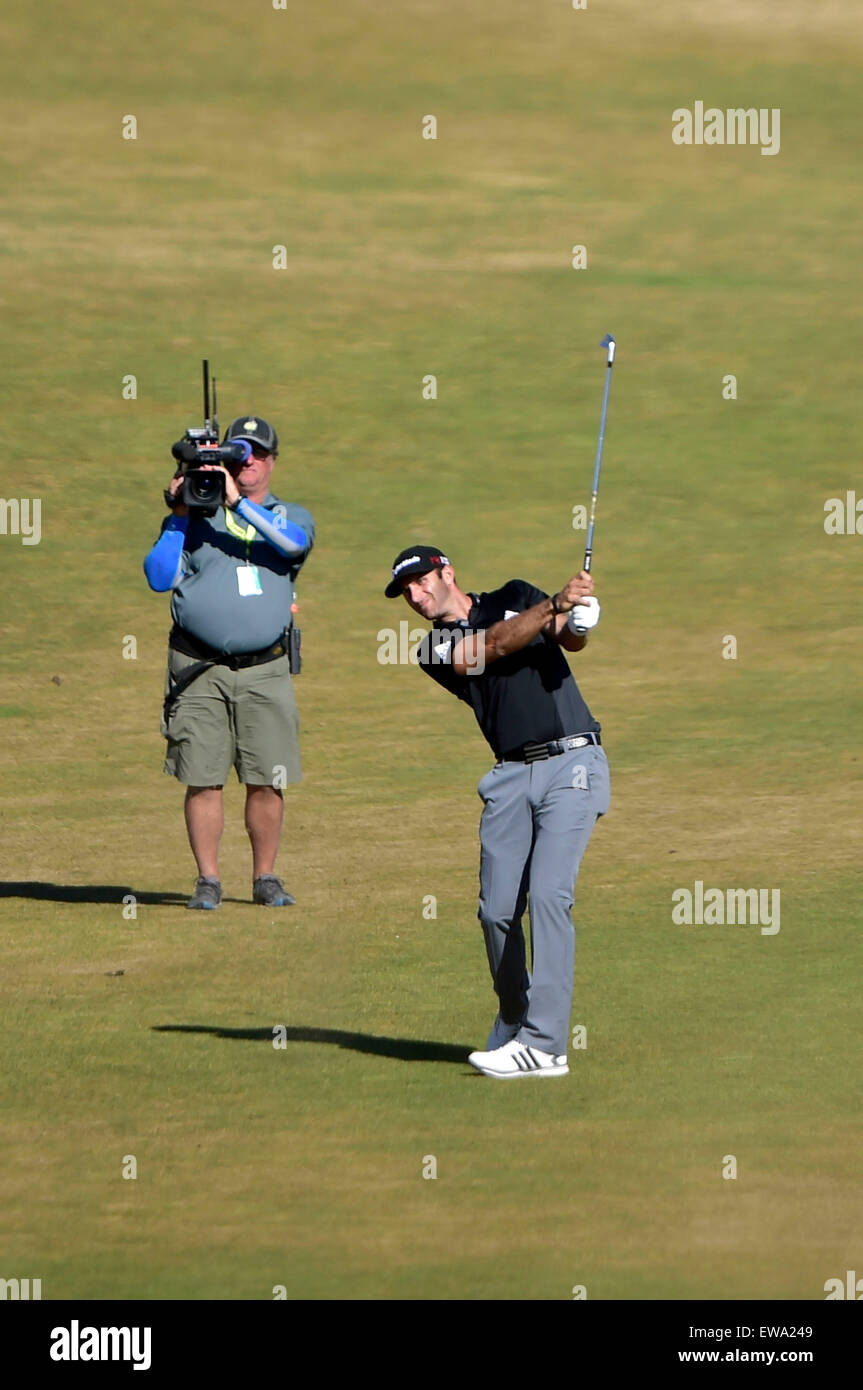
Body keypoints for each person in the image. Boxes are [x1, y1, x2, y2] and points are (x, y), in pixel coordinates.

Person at [385, 545, 609, 1079]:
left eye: (421, 582)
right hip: (509, 777)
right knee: (496, 911)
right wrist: (556, 603)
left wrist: (578, 617)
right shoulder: (435, 647)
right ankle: (514, 1018)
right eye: (406, 592)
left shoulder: (513, 594)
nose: (416, 596)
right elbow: (488, 650)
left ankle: (546, 1045)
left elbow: (566, 641)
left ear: (448, 572)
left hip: (572, 763)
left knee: (552, 895)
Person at [144, 415, 314, 910]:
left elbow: (292, 545)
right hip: (199, 667)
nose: (250, 463)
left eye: (258, 455)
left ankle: (265, 877)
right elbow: (158, 577)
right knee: (204, 774)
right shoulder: (194, 517)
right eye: (240, 455)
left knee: (268, 775)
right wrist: (180, 511)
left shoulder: (291, 515)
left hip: (266, 668)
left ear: (272, 462)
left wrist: (238, 504)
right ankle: (208, 881)